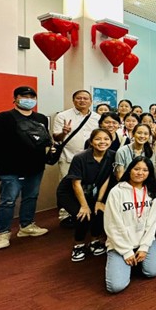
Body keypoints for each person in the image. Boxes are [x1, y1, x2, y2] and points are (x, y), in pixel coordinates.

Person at [0, 86, 50, 250]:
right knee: (8, 201)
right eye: (24, 96)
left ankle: (26, 226)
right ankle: (3, 233)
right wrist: (3, 151)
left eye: (32, 96)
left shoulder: (41, 118)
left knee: (31, 197)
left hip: (36, 166)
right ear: (16, 98)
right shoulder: (2, 118)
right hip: (10, 168)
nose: (29, 99)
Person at [104, 156, 156, 293]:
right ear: (129, 170)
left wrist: (144, 247)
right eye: (136, 169)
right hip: (120, 242)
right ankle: (127, 260)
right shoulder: (116, 192)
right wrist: (126, 251)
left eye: (145, 170)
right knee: (115, 287)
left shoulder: (152, 191)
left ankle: (137, 258)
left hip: (143, 239)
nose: (140, 173)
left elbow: (152, 222)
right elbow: (112, 224)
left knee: (153, 271)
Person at [56, 129, 115, 261]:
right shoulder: (80, 158)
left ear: (111, 141)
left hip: (92, 191)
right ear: (91, 142)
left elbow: (106, 179)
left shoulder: (112, 155)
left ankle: (94, 241)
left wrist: (100, 200)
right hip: (70, 192)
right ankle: (78, 245)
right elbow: (75, 184)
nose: (102, 142)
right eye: (98, 139)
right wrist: (83, 205)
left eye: (106, 139)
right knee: (83, 215)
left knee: (99, 212)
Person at [53, 90, 100, 226]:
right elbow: (56, 137)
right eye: (79, 98)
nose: (82, 101)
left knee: (85, 187)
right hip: (69, 157)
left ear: (91, 101)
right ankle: (65, 215)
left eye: (85, 98)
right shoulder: (63, 116)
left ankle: (83, 213)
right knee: (66, 188)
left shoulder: (97, 117)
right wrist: (64, 132)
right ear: (73, 100)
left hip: (91, 159)